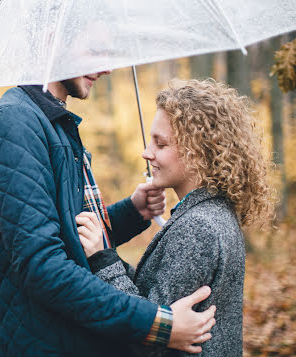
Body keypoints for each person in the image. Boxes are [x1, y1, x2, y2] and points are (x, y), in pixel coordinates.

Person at [0, 72, 217, 357]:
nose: (107, 67)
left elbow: (70, 235)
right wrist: (158, 323)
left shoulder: (53, 122)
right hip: (41, 342)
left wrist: (132, 211)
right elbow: (43, 265)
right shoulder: (14, 124)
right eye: (94, 47)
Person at [78, 78, 275, 356]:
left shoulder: (198, 227)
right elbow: (154, 296)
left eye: (160, 144)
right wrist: (105, 255)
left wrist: (102, 261)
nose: (147, 153)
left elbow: (148, 337)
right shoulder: (212, 212)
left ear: (199, 150)